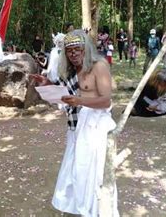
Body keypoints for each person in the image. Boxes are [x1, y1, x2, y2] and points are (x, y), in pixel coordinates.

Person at [31, 30, 117, 216]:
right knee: (75, 170)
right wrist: (47, 84)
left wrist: (80, 101)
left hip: (94, 128)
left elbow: (106, 101)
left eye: (78, 49)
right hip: (75, 126)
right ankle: (78, 208)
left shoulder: (99, 66)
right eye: (70, 51)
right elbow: (63, 95)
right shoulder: (69, 71)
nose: (74, 54)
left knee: (92, 173)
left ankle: (95, 211)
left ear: (85, 49)